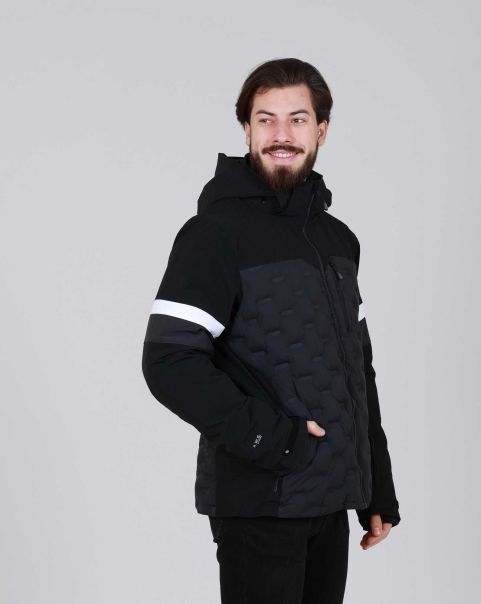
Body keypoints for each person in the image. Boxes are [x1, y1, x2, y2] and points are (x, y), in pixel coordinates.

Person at [141, 57, 401, 604]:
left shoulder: (337, 240)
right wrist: (276, 441)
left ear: (321, 130)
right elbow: (168, 362)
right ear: (247, 130)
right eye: (266, 119)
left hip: (329, 498)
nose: (282, 135)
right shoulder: (213, 234)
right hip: (259, 499)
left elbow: (358, 366)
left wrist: (375, 481)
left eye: (297, 119)